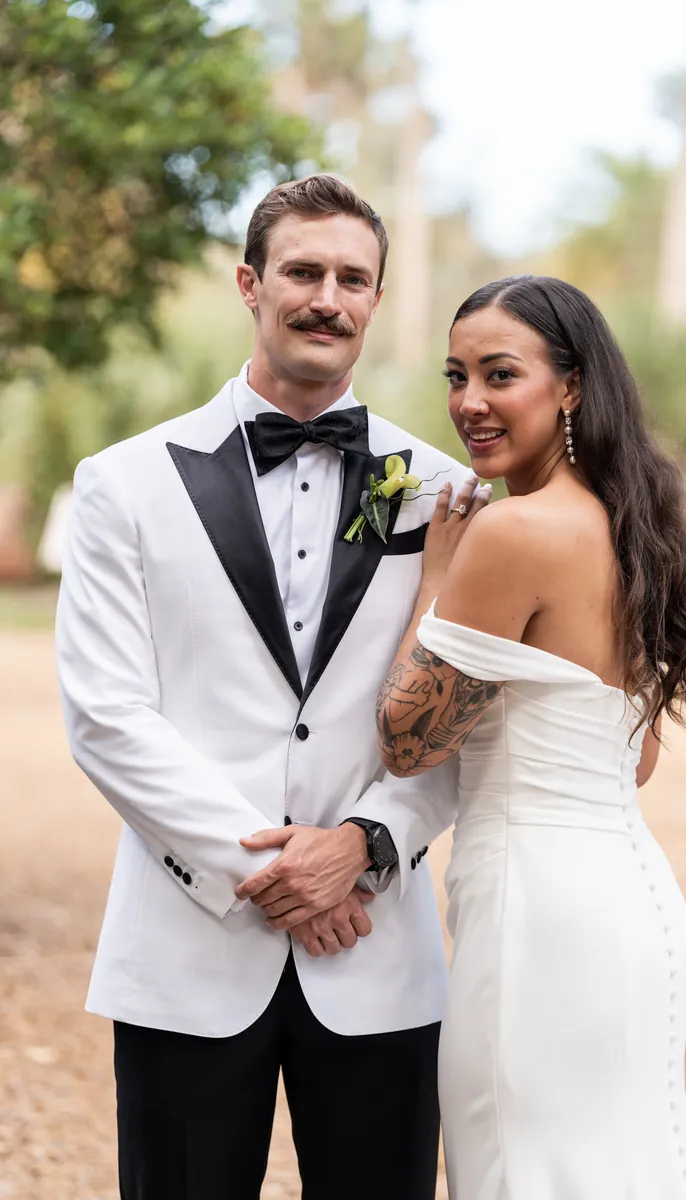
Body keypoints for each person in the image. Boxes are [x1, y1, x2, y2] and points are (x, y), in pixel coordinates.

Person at [56, 174, 488, 1200]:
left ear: (376, 301)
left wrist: (364, 847)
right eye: (302, 271)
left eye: (352, 278)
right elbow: (108, 717)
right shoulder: (124, 483)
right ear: (250, 283)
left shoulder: (445, 494)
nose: (325, 298)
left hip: (376, 950)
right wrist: (275, 876)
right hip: (188, 941)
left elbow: (468, 715)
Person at [377, 275, 686, 1199]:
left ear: (570, 386)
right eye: (456, 376)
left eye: (501, 373)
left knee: (520, 1171)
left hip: (537, 913)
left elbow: (408, 742)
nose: (469, 402)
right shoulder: (632, 530)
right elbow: (635, 759)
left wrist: (432, 586)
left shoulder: (513, 534)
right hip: (631, 900)